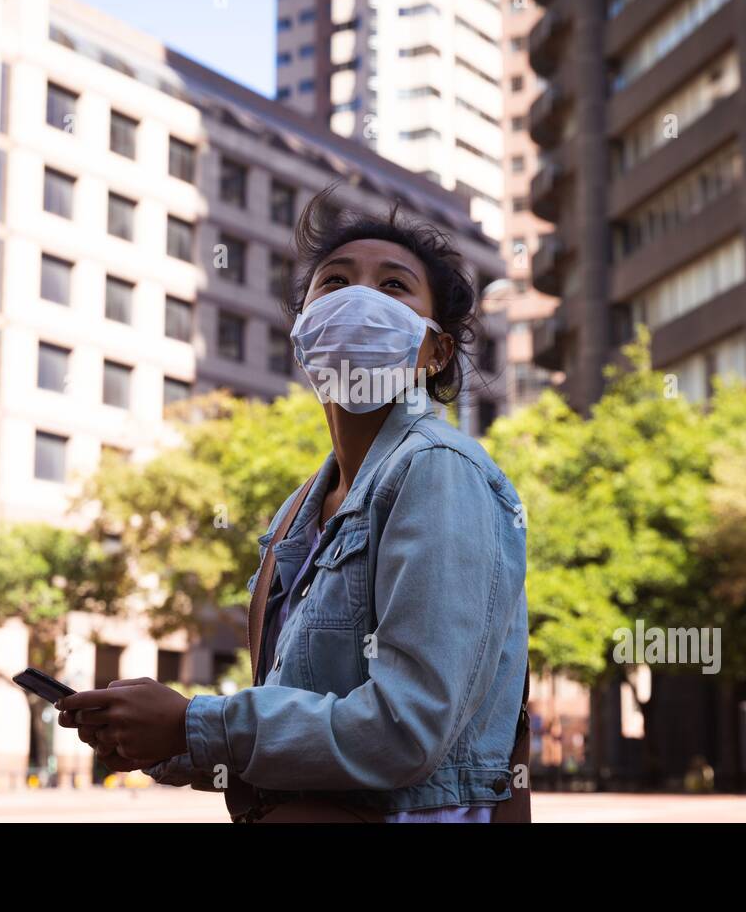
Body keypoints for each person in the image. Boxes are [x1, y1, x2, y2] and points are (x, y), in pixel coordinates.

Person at [57, 189, 529, 822]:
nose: (359, 299)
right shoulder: (296, 513)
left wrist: (194, 724)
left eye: (394, 286)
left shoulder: (439, 468)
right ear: (304, 331)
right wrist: (159, 736)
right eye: (334, 283)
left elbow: (406, 730)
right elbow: (301, 719)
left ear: (435, 350)